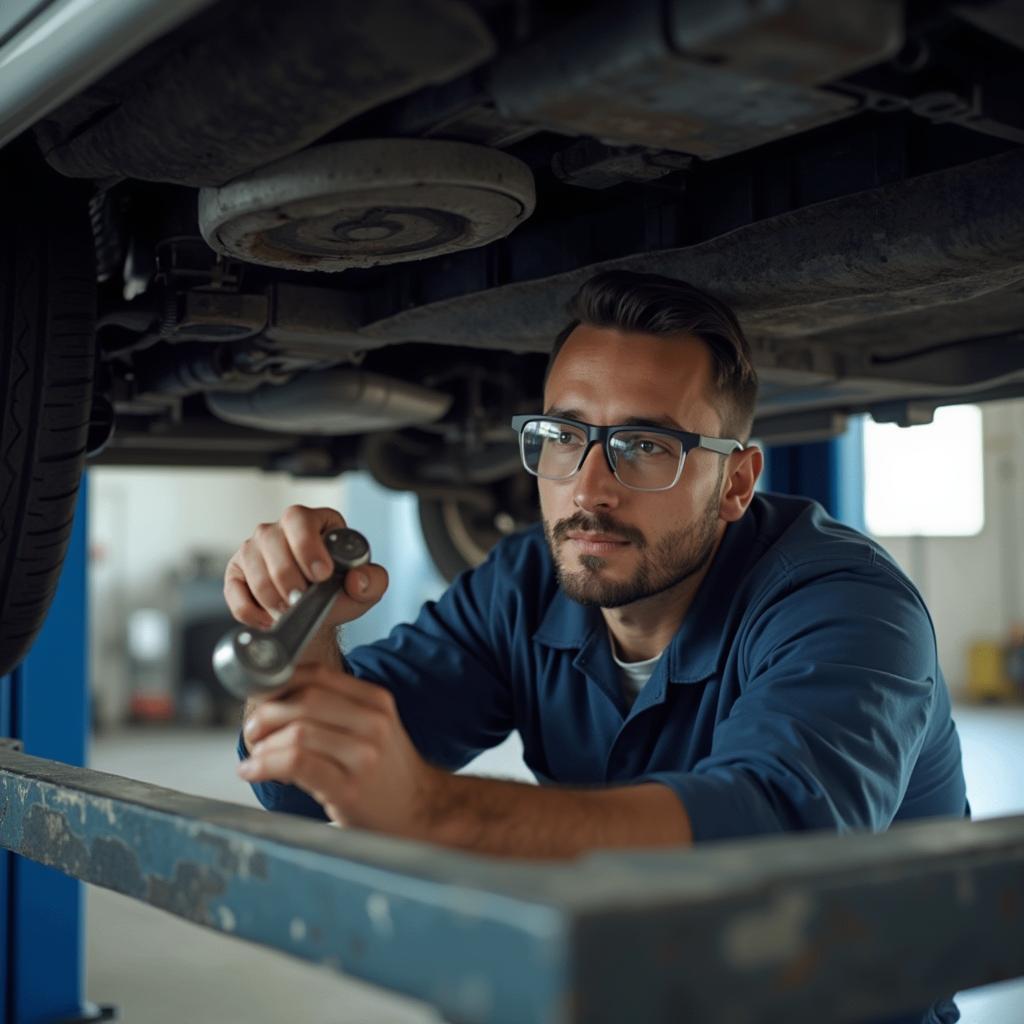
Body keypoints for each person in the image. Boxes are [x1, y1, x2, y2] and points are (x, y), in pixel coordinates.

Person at [228, 270, 966, 1022]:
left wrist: (434, 811)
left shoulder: (847, 606)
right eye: (563, 436)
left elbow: (766, 841)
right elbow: (296, 791)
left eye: (645, 445)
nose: (588, 490)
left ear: (737, 482)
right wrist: (302, 644)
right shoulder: (525, 585)